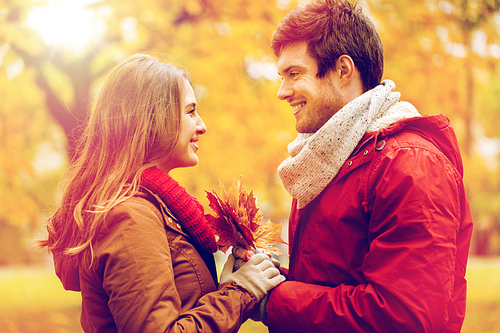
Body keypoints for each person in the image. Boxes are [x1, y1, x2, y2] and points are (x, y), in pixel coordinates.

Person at [235, 0, 473, 332]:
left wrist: (275, 300)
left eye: (294, 74)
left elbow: (402, 319)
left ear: (343, 70)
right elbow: (333, 282)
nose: (282, 92)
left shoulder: (411, 166)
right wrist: (267, 278)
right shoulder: (325, 161)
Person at [39, 53, 285, 333]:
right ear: (155, 119)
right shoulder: (130, 218)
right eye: (191, 111)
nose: (202, 126)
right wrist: (240, 293)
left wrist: (229, 287)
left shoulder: (158, 209)